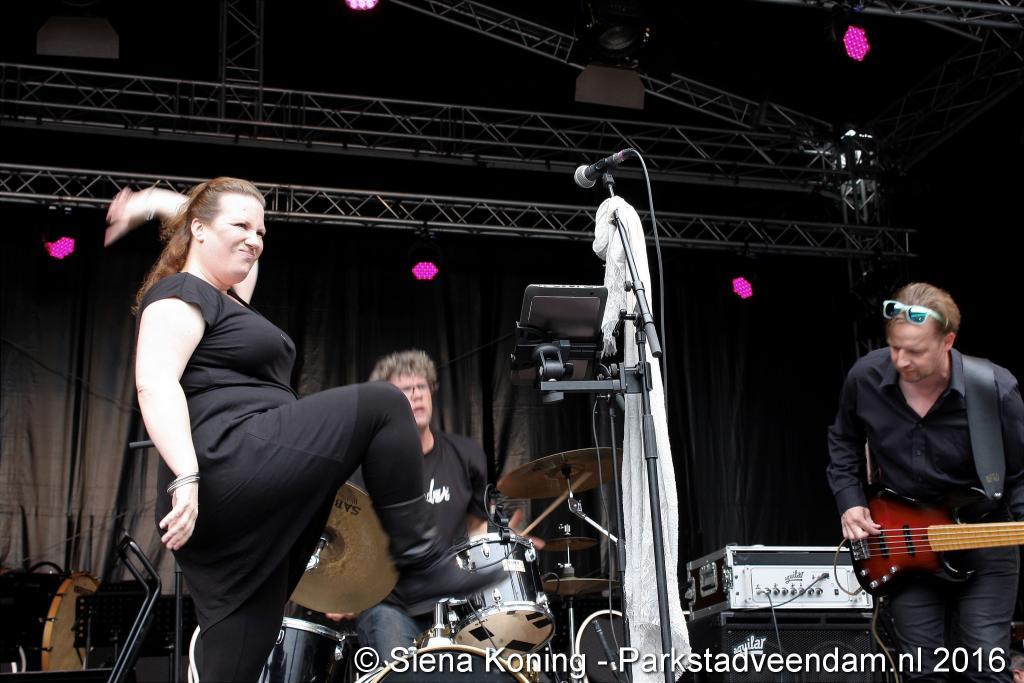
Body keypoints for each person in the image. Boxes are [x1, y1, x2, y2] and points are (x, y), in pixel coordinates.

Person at [106, 181, 502, 681]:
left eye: (261, 231)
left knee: (241, 650)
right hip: (228, 460)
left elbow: (223, 240)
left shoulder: (228, 299)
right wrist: (186, 476)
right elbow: (155, 384)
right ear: (199, 231)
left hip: (242, 485)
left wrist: (152, 203)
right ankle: (420, 564)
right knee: (384, 404)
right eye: (241, 226)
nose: (254, 239)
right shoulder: (178, 295)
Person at [826, 282, 1024, 681]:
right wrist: (850, 501)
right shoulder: (865, 378)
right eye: (895, 347)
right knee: (921, 670)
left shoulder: (994, 388)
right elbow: (843, 440)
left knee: (985, 664)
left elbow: (1020, 473)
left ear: (948, 341)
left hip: (984, 539)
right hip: (904, 544)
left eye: (915, 351)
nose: (901, 360)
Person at [326, 350, 543, 661]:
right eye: (405, 390)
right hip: (391, 603)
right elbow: (350, 538)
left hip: (456, 604)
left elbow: (475, 526)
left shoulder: (466, 455)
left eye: (421, 387)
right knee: (401, 673)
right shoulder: (367, 468)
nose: (416, 395)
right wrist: (343, 590)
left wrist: (505, 542)